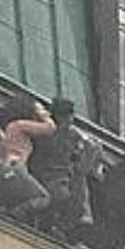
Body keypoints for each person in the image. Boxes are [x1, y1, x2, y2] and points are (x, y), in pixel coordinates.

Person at [27, 97, 103, 240]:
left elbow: (76, 160)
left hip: (61, 177)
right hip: (47, 176)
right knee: (64, 197)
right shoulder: (49, 132)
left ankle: (66, 226)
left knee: (74, 194)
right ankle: (56, 226)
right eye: (66, 117)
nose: (69, 121)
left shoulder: (71, 135)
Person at [0, 93, 56, 223]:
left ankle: (7, 213)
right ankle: (15, 214)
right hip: (15, 168)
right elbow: (50, 129)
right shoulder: (19, 125)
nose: (45, 112)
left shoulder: (3, 131)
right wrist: (44, 116)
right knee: (43, 197)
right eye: (41, 109)